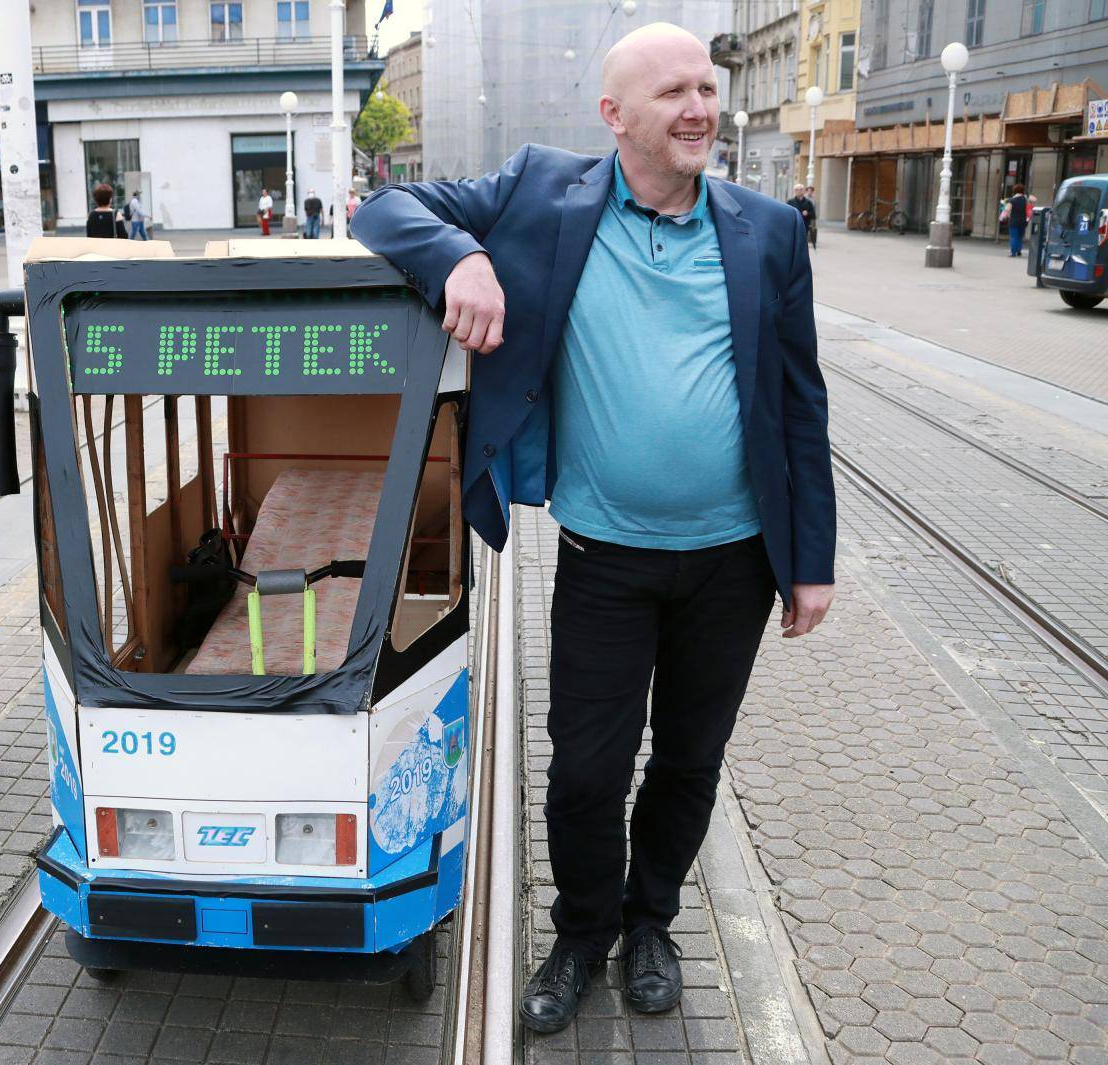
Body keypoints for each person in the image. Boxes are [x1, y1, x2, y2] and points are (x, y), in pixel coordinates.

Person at [351, 22, 834, 1032]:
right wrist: (459, 263)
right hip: (603, 556)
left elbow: (799, 402)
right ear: (615, 117)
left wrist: (811, 563)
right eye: (673, 93)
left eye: (705, 86)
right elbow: (385, 208)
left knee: (690, 761)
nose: (700, 106)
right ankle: (579, 935)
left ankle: (649, 921)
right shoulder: (540, 193)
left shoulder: (766, 231)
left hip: (735, 563)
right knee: (583, 769)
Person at [1004, 183, 1028, 257]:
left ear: (1014, 191)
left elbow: (1007, 209)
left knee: (1014, 237)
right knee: (1020, 237)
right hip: (1023, 220)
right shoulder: (1025, 200)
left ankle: (1013, 252)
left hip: (1014, 220)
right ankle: (1019, 251)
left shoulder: (1011, 200)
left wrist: (1007, 215)